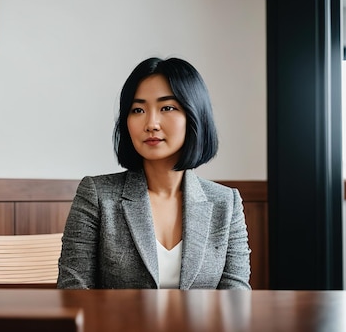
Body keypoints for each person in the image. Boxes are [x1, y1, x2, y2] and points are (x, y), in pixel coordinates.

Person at [57, 57, 251, 290]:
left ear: (194, 115)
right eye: (138, 109)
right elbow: (73, 290)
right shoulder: (97, 195)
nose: (151, 123)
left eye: (167, 107)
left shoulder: (225, 202)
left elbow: (236, 297)